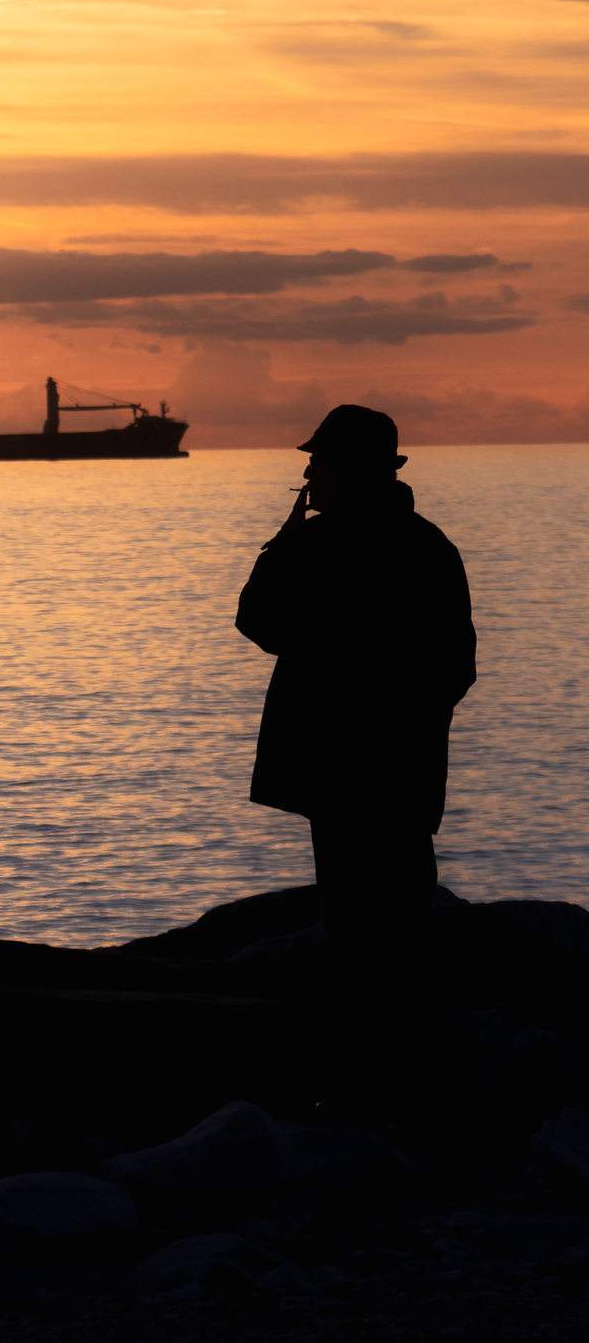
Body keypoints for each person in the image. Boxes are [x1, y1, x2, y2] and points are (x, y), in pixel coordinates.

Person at [236, 404, 476, 1117]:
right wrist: (412, 724)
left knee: (357, 925)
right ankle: (405, 1075)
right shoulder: (429, 545)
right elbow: (456, 666)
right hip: (399, 771)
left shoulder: (321, 547)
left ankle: (368, 1086)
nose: (308, 474)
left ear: (349, 471)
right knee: (399, 916)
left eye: (319, 463)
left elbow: (256, 620)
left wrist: (283, 540)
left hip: (340, 772)